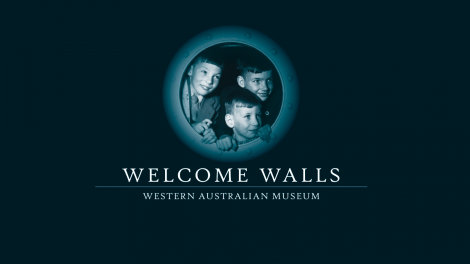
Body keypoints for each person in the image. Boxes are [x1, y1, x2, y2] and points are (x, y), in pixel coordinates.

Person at [214, 49, 281, 151]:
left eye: (269, 80)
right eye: (256, 81)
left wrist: (271, 128)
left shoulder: (278, 97)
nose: (265, 88)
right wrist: (224, 137)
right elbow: (221, 126)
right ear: (241, 82)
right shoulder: (229, 94)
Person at [181, 49, 224, 144]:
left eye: (216, 77)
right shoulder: (176, 92)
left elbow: (214, 126)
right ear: (190, 70)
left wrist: (211, 134)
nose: (209, 81)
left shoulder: (215, 102)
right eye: (204, 72)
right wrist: (190, 129)